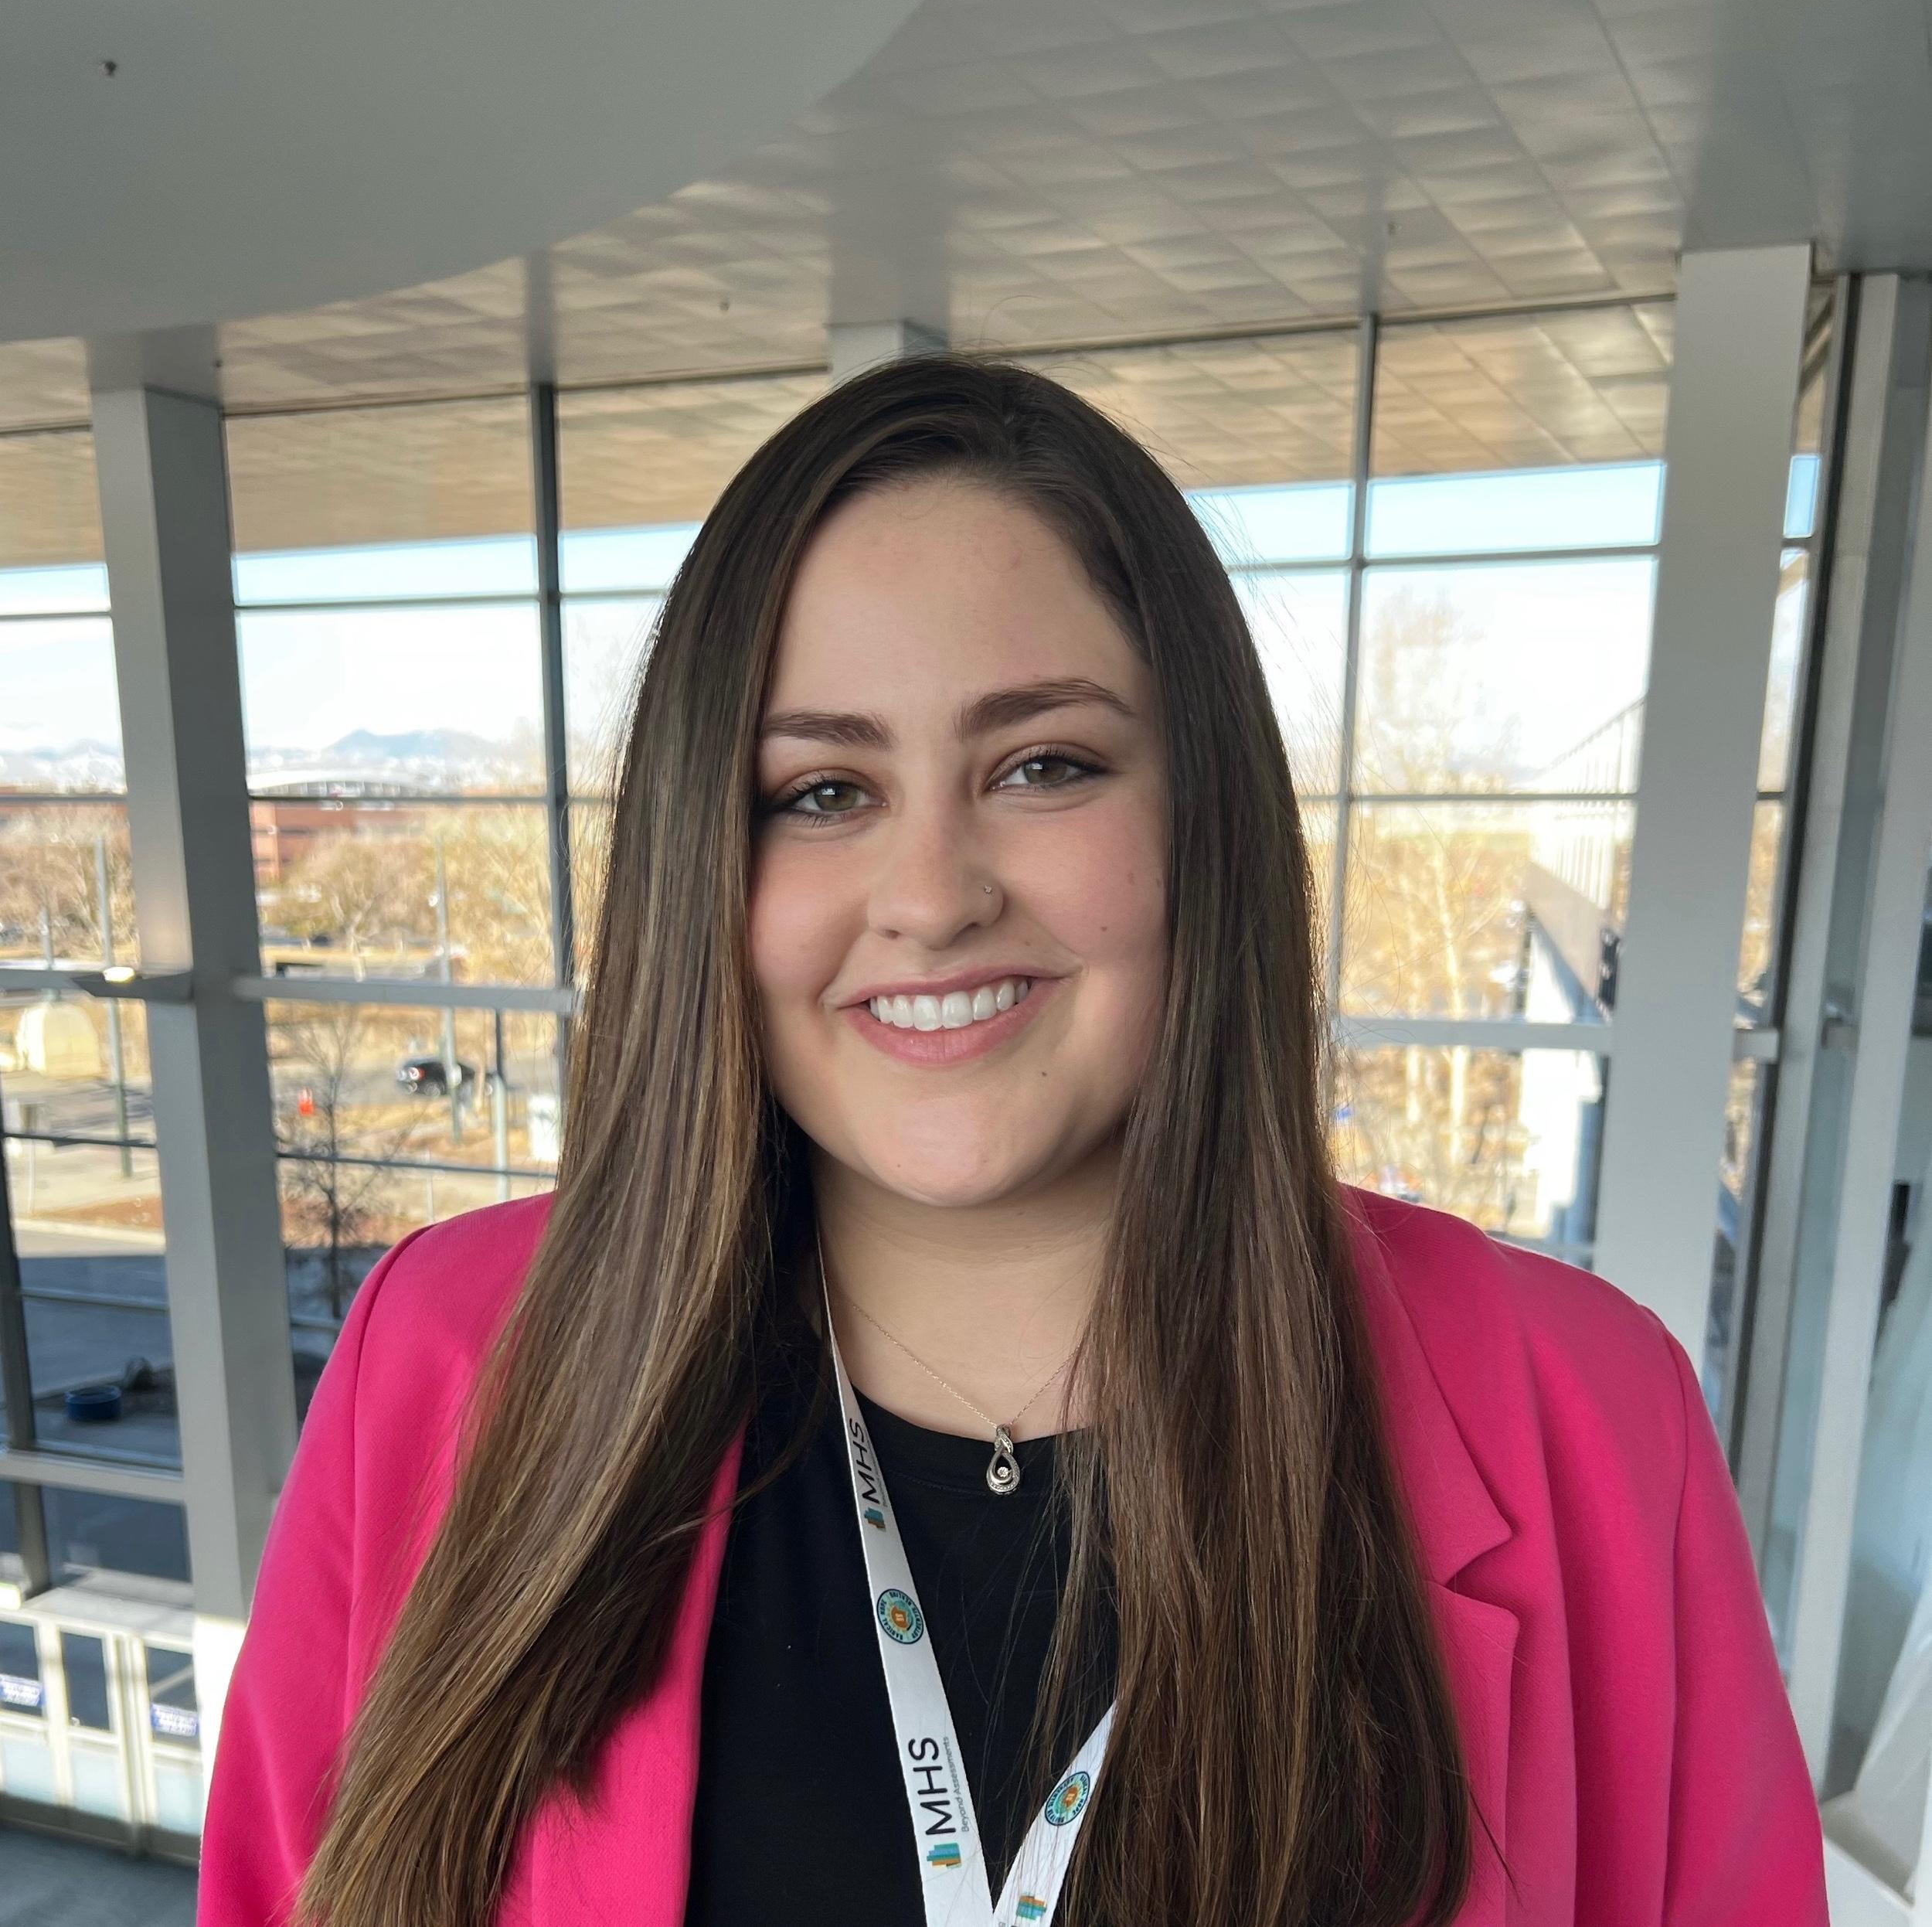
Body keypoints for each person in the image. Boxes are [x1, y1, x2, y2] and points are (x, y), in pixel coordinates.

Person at [196, 356, 1827, 1927]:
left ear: (1202, 815)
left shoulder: (1585, 1417)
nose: (930, 895)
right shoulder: (443, 1358)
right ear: (706, 860)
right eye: (821, 791)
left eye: (1043, 766)